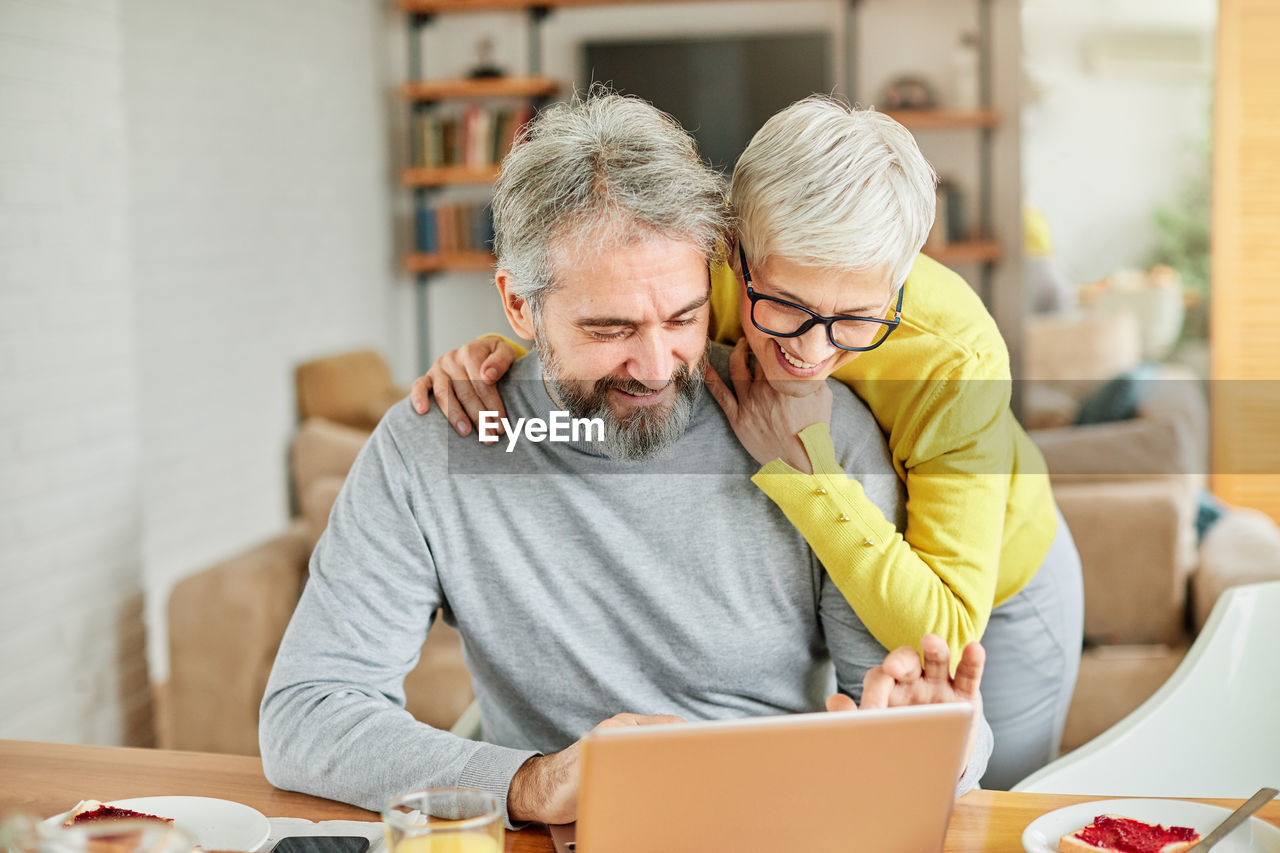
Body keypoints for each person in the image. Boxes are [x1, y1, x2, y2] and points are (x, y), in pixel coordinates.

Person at [259, 91, 992, 827]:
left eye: (682, 318)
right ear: (518, 308)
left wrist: (939, 735)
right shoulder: (432, 444)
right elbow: (307, 711)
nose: (654, 365)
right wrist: (532, 783)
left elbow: (931, 723)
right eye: (609, 327)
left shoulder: (816, 441)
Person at [411, 96, 1084, 790]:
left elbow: (942, 627)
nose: (812, 350)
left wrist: (802, 466)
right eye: (786, 305)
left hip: (993, 584)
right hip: (860, 548)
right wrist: (518, 356)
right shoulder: (705, 273)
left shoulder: (960, 357)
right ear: (734, 252)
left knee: (992, 796)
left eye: (855, 318)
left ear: (899, 280)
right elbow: (608, 316)